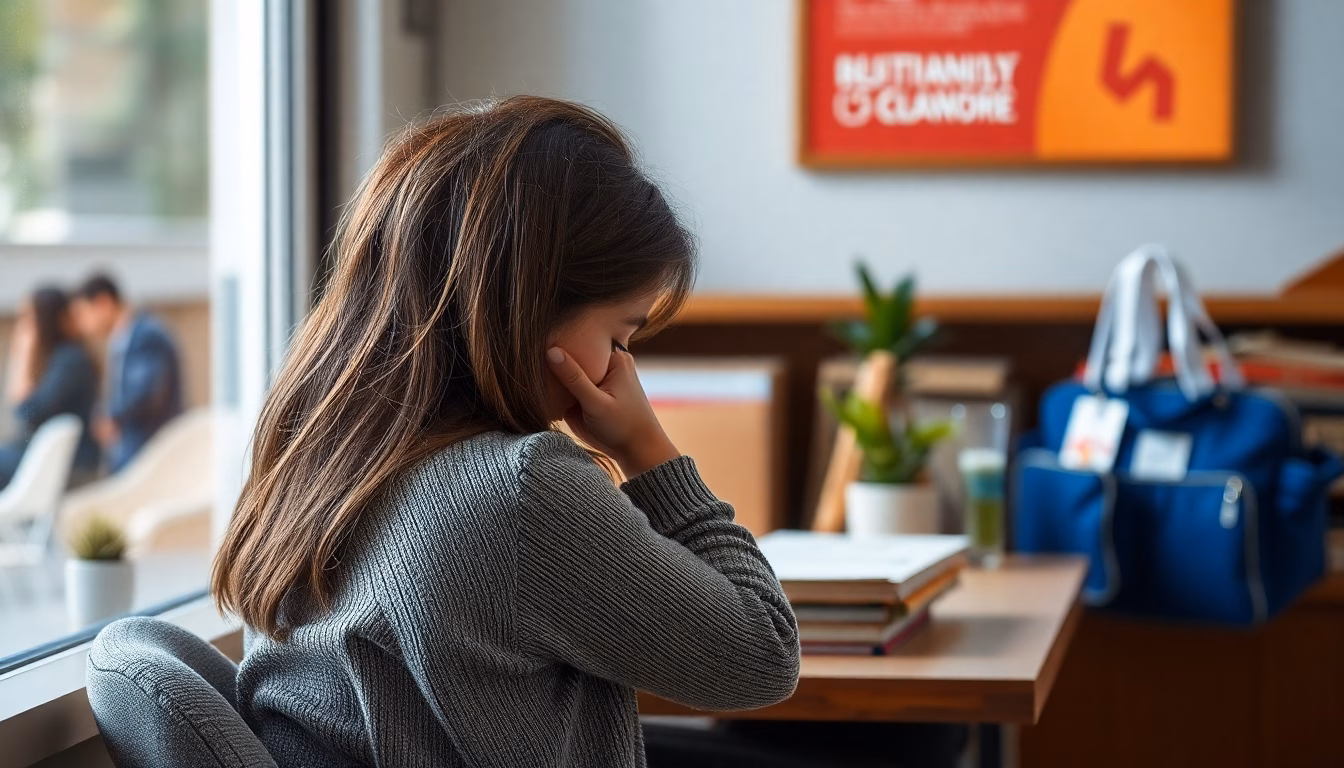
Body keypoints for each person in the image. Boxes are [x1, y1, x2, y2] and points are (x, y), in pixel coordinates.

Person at [210, 97, 800, 767]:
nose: (623, 367)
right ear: (532, 305)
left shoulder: (309, 461)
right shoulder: (520, 493)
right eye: (619, 334)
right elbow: (764, 655)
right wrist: (647, 450)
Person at [70, 273, 182, 473]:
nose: (82, 325)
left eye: (83, 314)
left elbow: (146, 392)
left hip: (151, 452)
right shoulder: (126, 335)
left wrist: (111, 417)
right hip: (138, 450)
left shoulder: (145, 334)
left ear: (103, 303)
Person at [1, 287, 101, 489]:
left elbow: (28, 413)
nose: (22, 327)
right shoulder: (57, 360)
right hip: (41, 457)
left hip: (68, 462)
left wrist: (23, 355)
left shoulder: (70, 360)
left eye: (28, 318)